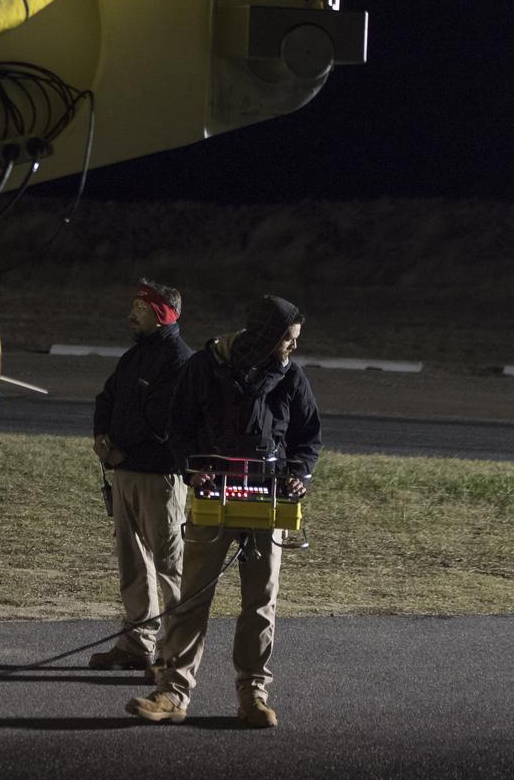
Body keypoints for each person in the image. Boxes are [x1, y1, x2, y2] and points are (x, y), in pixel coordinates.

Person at [127, 294, 321, 728]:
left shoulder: (292, 378)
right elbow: (178, 427)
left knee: (260, 602)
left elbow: (308, 436)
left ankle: (253, 693)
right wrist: (192, 470)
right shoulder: (204, 366)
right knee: (193, 598)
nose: (293, 347)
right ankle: (173, 692)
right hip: (213, 500)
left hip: (266, 503)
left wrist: (299, 475)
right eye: (288, 339)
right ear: (266, 336)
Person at [88, 279, 192, 672]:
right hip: (126, 472)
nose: (131, 314)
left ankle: (175, 653)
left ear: (162, 314)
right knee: (133, 563)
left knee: (170, 566)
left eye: (140, 308)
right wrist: (102, 436)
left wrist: (121, 448)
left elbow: (162, 423)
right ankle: (136, 645)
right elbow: (107, 397)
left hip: (160, 477)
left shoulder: (178, 360)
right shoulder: (133, 357)